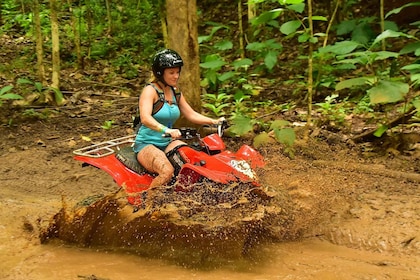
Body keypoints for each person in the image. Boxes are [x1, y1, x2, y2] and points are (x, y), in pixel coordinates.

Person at [133, 49, 223, 189]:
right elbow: (145, 118)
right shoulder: (150, 91)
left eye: (177, 72)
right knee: (166, 171)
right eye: (171, 73)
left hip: (167, 142)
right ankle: (148, 204)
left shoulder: (175, 92)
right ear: (160, 73)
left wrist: (213, 121)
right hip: (146, 144)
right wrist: (166, 130)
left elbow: (190, 114)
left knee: (194, 158)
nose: (176, 76)